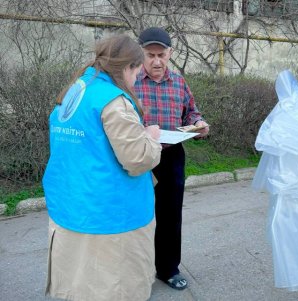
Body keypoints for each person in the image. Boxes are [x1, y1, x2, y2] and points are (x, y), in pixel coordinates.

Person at [42, 34, 162, 301]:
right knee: (113, 287)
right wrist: (150, 138)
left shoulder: (76, 90)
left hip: (72, 202)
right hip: (111, 213)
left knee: (81, 285)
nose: (136, 79)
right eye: (137, 71)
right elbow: (137, 159)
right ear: (128, 66)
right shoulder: (113, 101)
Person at [134, 27, 209, 290]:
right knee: (137, 216)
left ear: (170, 54)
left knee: (169, 216)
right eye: (150, 54)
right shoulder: (129, 82)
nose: (156, 61)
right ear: (140, 53)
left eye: (161, 55)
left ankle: (168, 269)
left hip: (172, 156)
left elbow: (191, 113)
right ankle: (137, 272)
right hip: (138, 157)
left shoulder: (178, 82)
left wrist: (199, 124)